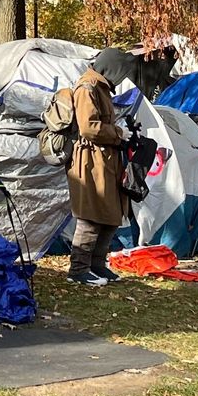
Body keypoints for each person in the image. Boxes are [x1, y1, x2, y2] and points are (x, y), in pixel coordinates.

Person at [66, 48, 132, 287]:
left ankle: (97, 265)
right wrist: (118, 133)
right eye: (121, 71)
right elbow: (89, 128)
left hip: (105, 160)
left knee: (110, 214)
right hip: (89, 161)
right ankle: (78, 269)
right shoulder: (88, 88)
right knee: (91, 216)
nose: (123, 77)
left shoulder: (100, 86)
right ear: (111, 68)